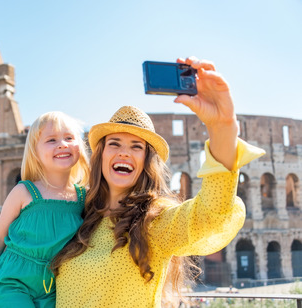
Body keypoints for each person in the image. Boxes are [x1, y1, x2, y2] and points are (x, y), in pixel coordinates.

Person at [52, 57, 266, 307]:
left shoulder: (153, 222)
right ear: (100, 156)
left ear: (145, 162)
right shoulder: (77, 213)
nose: (124, 153)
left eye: (136, 146)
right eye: (114, 144)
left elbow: (211, 214)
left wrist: (222, 126)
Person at [0, 111, 90, 308]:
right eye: (51, 140)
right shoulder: (24, 192)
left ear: (80, 147)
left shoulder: (85, 197)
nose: (62, 144)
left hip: (55, 286)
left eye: (69, 138)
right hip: (12, 282)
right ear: (35, 152)